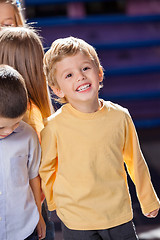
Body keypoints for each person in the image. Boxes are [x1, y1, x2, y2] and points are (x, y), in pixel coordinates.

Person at [39, 36, 160, 240]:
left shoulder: (120, 116)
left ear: (99, 73)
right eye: (69, 75)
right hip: (76, 219)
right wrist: (54, 202)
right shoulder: (53, 126)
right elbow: (47, 168)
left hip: (117, 215)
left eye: (85, 68)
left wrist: (148, 199)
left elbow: (135, 161)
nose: (80, 77)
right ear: (57, 89)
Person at [0, 26, 55, 239]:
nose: (8, 131)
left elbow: (34, 170)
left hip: (28, 210)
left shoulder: (28, 118)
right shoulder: (34, 110)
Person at [0, 64, 46, 240]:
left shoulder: (28, 136)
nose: (9, 131)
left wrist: (39, 215)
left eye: (16, 123)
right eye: (2, 126)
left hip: (24, 229)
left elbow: (34, 176)